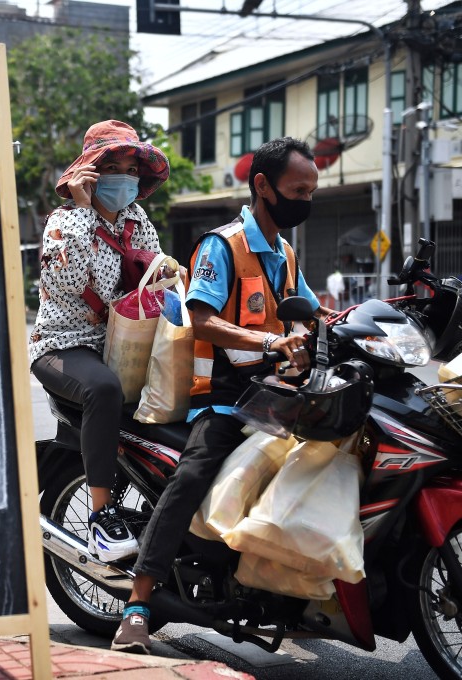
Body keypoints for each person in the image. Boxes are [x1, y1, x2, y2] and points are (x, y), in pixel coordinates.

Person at [111, 136, 333, 654]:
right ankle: (138, 605)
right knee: (192, 477)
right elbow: (205, 320)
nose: (306, 200)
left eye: (311, 190)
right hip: (225, 399)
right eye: (298, 190)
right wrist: (273, 341)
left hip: (276, 395)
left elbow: (307, 311)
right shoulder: (222, 245)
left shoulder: (285, 251)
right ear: (263, 186)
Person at [29, 119, 171, 563]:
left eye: (132, 169)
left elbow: (151, 278)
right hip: (64, 344)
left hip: (123, 344)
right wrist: (84, 209)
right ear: (89, 170)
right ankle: (101, 516)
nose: (125, 177)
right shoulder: (63, 222)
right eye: (113, 166)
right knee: (104, 389)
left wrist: (165, 275)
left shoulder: (137, 220)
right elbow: (67, 278)